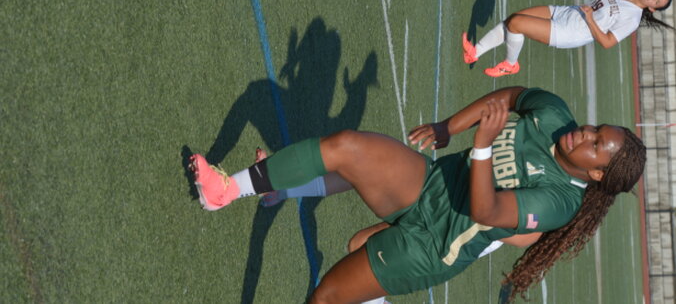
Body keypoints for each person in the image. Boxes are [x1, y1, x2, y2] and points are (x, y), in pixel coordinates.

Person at [189, 87, 646, 303]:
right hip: (429, 183)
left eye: (594, 144)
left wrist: (482, 146)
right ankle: (226, 190)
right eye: (595, 128)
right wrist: (450, 126)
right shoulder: (556, 115)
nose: (584, 133)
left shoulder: (562, 202)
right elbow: (512, 96)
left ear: (597, 173)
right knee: (347, 148)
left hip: (434, 244)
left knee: (325, 296)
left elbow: (485, 209)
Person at [463, 0, 673, 77]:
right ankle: (475, 52)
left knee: (517, 24)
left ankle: (510, 64)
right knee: (513, 19)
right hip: (567, 12)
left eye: (657, 1)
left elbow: (608, 42)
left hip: (571, 32)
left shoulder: (632, 19)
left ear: (652, 9)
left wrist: (590, 20)